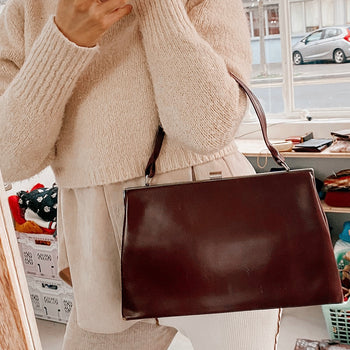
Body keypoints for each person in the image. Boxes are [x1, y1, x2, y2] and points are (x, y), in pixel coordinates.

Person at [0, 0, 281, 349]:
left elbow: (208, 128)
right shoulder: (25, 9)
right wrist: (63, 41)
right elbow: (10, 159)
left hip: (218, 229)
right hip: (101, 250)